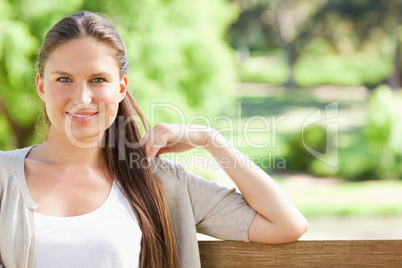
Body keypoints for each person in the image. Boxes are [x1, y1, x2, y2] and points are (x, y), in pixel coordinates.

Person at [0, 10, 308, 268]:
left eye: (98, 80)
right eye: (64, 79)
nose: (82, 97)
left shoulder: (159, 182)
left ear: (121, 88)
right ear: (41, 86)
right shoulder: (4, 177)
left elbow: (286, 224)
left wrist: (210, 139)